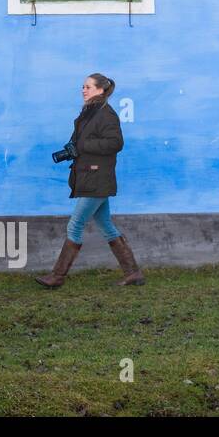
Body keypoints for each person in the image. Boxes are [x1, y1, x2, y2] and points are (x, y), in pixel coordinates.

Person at [36, 73, 146, 288]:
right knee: (105, 224)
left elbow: (116, 143)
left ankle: (57, 277)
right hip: (91, 176)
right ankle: (133, 273)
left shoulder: (106, 114)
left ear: (100, 90)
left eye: (88, 86)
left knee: (75, 224)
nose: (83, 90)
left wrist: (83, 147)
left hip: (97, 178)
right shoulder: (90, 112)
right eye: (83, 86)